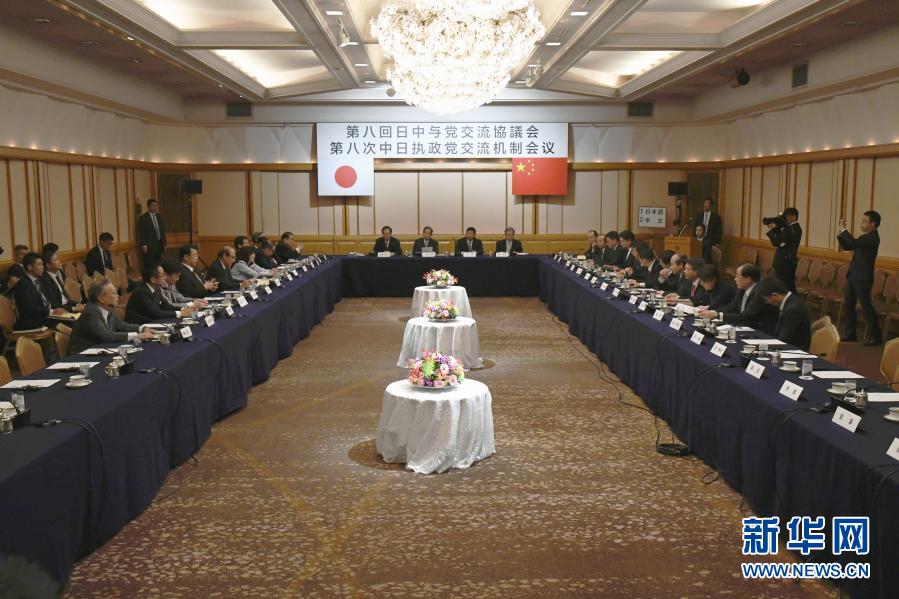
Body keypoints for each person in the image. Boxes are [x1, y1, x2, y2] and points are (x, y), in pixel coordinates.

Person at [69, 280, 156, 354]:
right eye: (114, 293)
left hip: (100, 350)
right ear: (101, 298)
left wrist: (142, 328)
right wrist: (137, 335)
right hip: (82, 356)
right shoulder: (91, 312)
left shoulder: (107, 309)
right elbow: (106, 336)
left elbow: (122, 326)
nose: (117, 296)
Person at [838, 210, 882, 345]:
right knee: (849, 305)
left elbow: (852, 243)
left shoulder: (872, 237)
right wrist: (841, 233)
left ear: (872, 224)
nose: (861, 223)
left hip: (863, 278)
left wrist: (844, 229)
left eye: (864, 221)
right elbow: (848, 246)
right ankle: (850, 334)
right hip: (853, 275)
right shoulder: (865, 237)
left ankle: (876, 337)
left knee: (866, 307)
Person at [698, 264, 778, 335]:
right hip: (744, 328)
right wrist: (713, 312)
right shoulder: (742, 290)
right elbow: (731, 307)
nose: (735, 279)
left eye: (737, 276)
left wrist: (718, 315)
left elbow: (746, 316)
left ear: (748, 279)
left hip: (761, 332)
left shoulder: (759, 293)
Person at [125, 264, 194, 325]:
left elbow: (167, 306)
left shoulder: (157, 289)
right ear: (153, 279)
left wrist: (185, 309)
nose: (165, 277)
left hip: (152, 323)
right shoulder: (141, 292)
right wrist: (180, 313)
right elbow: (156, 313)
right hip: (139, 327)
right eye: (163, 275)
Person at [756, 277, 812, 351]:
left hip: (794, 350)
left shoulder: (792, 309)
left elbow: (784, 339)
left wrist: (760, 347)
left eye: (766, 299)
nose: (766, 302)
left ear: (775, 295)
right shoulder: (791, 300)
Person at [13, 252, 56, 330]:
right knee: (67, 322)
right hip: (32, 321)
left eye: (42, 264)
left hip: (44, 315)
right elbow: (31, 308)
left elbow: (46, 301)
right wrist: (51, 312)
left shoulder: (38, 280)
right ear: (29, 267)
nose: (42, 267)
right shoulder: (23, 285)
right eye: (39, 264)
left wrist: (55, 310)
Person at [767, 207, 802, 292]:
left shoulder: (792, 229)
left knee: (785, 286)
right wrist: (776, 228)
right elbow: (782, 239)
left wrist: (771, 230)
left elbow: (776, 242)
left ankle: (790, 299)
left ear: (794, 217)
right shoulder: (792, 228)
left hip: (785, 262)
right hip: (786, 261)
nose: (785, 219)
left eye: (787, 216)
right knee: (787, 286)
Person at [138, 198, 166, 265]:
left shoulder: (159, 217)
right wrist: (144, 245)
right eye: (152, 205)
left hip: (159, 243)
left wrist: (165, 243)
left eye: (155, 205)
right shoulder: (143, 218)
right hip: (149, 244)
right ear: (148, 206)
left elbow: (162, 230)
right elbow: (142, 232)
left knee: (159, 263)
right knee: (150, 263)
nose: (154, 207)